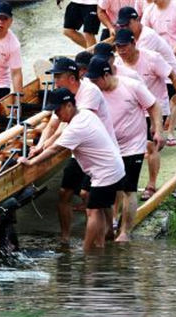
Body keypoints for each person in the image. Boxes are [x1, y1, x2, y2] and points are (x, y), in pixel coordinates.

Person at [20, 88, 124, 251]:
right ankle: (100, 245)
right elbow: (54, 142)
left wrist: (31, 163)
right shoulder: (84, 114)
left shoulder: (76, 127)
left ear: (69, 105)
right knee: (100, 208)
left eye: (58, 110)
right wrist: (41, 147)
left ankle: (87, 251)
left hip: (106, 172)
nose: (57, 114)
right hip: (111, 167)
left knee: (93, 211)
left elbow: (55, 150)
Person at [30, 57, 116, 243]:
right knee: (64, 193)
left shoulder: (89, 92)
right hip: (79, 150)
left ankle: (104, 230)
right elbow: (53, 124)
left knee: (89, 196)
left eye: (58, 76)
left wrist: (46, 148)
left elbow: (68, 128)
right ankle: (66, 238)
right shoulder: (63, 94)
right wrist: (38, 146)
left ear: (71, 78)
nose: (55, 81)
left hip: (98, 151)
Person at [86, 56, 163, 241]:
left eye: (96, 80)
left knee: (129, 189)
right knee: (109, 189)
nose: (94, 84)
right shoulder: (94, 92)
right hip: (109, 147)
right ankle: (111, 224)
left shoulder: (131, 85)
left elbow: (153, 105)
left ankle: (124, 232)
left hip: (133, 146)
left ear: (106, 75)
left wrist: (158, 129)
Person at [112, 28, 176, 200]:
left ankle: (151, 184)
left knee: (151, 145)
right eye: (118, 47)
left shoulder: (152, 58)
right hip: (134, 110)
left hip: (155, 106)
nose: (121, 51)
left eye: (124, 46)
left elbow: (173, 76)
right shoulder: (115, 64)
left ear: (134, 43)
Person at [115, 6, 176, 149]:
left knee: (163, 107)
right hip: (150, 75)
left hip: (166, 74)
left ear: (136, 20)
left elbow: (139, 67)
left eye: (127, 24)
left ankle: (167, 133)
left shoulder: (147, 38)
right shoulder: (129, 40)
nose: (124, 28)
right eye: (121, 25)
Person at [142, 0, 176, 146]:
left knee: (175, 96)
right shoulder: (149, 10)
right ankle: (158, 128)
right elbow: (145, 33)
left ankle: (171, 131)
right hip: (158, 59)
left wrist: (172, 52)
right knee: (157, 94)